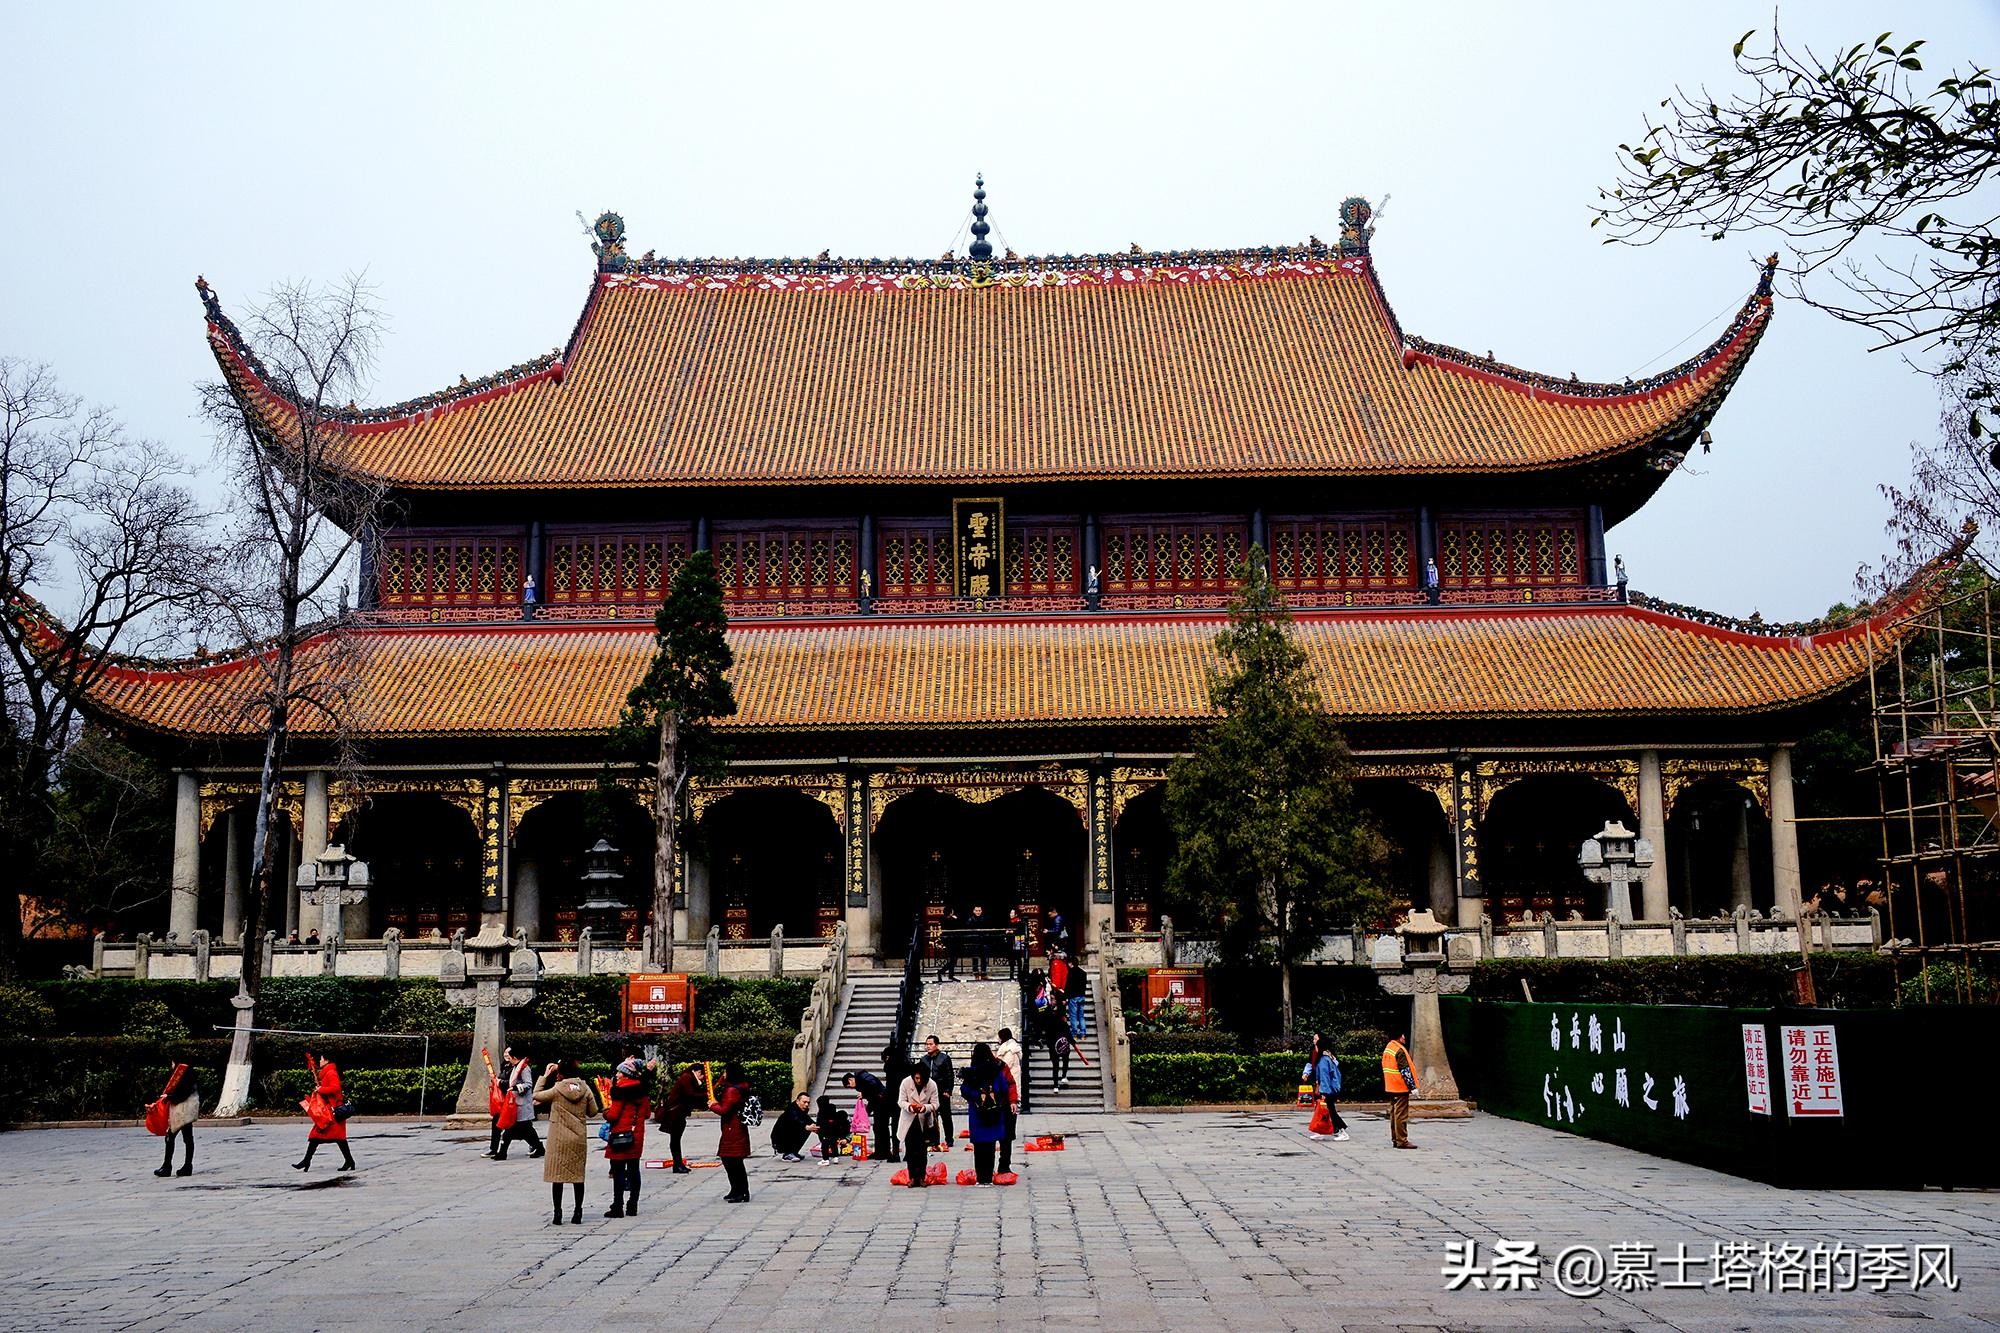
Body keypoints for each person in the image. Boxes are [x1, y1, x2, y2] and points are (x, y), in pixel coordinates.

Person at [535, 1058, 601, 1224]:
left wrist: (544, 1075)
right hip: (578, 1137)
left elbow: (536, 1095)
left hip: (558, 1138)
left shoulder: (557, 1089)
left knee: (557, 1177)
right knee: (578, 1177)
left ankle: (558, 1213)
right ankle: (578, 1212)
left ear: (560, 1072)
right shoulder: (585, 1088)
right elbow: (593, 1112)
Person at [959, 1043, 1013, 1184]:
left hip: (977, 1113)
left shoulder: (971, 1072)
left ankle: (981, 1177)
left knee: (979, 1148)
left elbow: (964, 1090)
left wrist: (977, 1096)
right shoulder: (996, 1070)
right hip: (994, 1112)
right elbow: (1004, 1087)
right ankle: (988, 1177)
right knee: (990, 1146)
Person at [293, 1052, 354, 1172]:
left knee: (332, 1137)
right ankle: (307, 1161)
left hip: (334, 1110)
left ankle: (307, 1161)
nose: (319, 1061)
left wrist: (321, 1089)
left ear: (327, 1060)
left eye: (321, 1059)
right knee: (330, 1137)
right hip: (330, 1110)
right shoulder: (327, 1072)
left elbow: (335, 1088)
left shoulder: (331, 1073)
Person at [601, 1075, 648, 1218]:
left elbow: (613, 1115)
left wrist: (605, 1112)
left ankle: (618, 1206)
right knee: (634, 1171)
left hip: (620, 1137)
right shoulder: (642, 1091)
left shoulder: (620, 1091)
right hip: (636, 1136)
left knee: (619, 1171)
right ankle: (633, 1205)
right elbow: (647, 1113)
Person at [710, 1061, 755, 1203]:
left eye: (725, 1071)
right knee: (733, 1161)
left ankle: (740, 1191)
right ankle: (737, 1190)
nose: (723, 1074)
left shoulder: (732, 1090)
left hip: (732, 1128)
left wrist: (712, 1106)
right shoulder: (740, 1086)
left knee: (732, 1160)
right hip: (736, 1127)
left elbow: (724, 1109)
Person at [152, 1062, 200, 1177]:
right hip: (187, 1108)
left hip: (182, 1109)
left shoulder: (182, 1071)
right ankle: (187, 1166)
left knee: (170, 1136)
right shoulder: (188, 1069)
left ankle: (167, 1167)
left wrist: (170, 1097)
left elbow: (183, 1091)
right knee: (188, 1138)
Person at [495, 1046, 544, 1160]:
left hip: (522, 1104)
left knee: (521, 1130)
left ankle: (503, 1152)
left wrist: (516, 1087)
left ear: (515, 1057)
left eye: (510, 1057)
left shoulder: (524, 1068)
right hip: (516, 1104)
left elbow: (528, 1084)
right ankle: (538, 1147)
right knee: (519, 1129)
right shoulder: (516, 1067)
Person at [896, 1065, 940, 1187]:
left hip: (924, 1120)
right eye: (916, 1078)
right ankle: (912, 1177)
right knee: (910, 1151)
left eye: (921, 1079)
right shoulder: (906, 1082)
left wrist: (925, 1108)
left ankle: (921, 1177)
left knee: (922, 1151)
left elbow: (935, 1104)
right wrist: (910, 1107)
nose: (918, 1081)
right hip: (909, 1119)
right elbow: (901, 1101)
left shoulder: (932, 1085)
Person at [657, 1064, 706, 1173]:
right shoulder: (687, 1077)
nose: (702, 1077)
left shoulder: (687, 1077)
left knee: (675, 1139)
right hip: (675, 1113)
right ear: (696, 1071)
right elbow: (690, 1094)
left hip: (678, 1113)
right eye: (701, 1074)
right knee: (675, 1140)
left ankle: (678, 1164)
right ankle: (677, 1164)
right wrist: (705, 1094)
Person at [844, 1070, 894, 1160]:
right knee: (878, 1128)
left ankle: (884, 1152)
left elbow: (873, 1086)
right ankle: (880, 1152)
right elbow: (872, 1098)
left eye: (849, 1086)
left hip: (883, 1104)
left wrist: (864, 1093)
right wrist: (866, 1112)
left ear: (850, 1079)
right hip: (878, 1104)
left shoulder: (864, 1077)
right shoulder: (862, 1080)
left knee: (881, 1128)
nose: (851, 1088)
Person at [995, 1027, 1024, 1173]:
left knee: (1007, 1122)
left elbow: (1003, 1068)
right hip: (1013, 1086)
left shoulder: (1008, 1052)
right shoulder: (1014, 1049)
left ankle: (1003, 1164)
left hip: (1008, 1089)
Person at [1382, 1030, 1419, 1149]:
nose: (1404, 1037)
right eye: (1403, 1035)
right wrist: (1412, 1087)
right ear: (1399, 1036)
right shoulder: (1399, 1050)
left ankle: (1395, 1139)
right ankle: (1402, 1140)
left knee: (1394, 1114)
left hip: (1391, 1086)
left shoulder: (1389, 1048)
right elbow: (1405, 1070)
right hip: (1400, 1086)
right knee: (1401, 1115)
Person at [918, 1036, 955, 1149]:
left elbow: (949, 1075)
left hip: (941, 1091)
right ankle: (933, 1139)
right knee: (930, 1117)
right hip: (928, 1092)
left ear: (936, 1045)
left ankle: (949, 1138)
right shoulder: (924, 1060)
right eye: (927, 1044)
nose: (928, 1046)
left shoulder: (944, 1059)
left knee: (946, 1116)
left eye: (930, 1044)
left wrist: (948, 1090)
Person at [1311, 1035, 1350, 1142]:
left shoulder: (1323, 1060)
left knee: (1331, 1111)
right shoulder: (1329, 1057)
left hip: (1329, 1089)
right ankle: (1322, 1130)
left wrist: (1324, 1092)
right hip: (1333, 1088)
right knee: (1326, 1110)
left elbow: (1325, 1077)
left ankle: (1342, 1131)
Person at [770, 1092, 816, 1162]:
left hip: (787, 1135)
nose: (806, 1104)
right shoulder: (791, 1110)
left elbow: (809, 1121)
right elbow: (796, 1120)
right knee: (800, 1128)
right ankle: (787, 1153)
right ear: (797, 1101)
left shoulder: (802, 1110)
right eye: (804, 1102)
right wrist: (806, 1127)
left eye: (808, 1102)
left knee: (808, 1128)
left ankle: (793, 1152)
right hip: (780, 1139)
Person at [813, 1095, 850, 1165]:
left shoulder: (821, 1112)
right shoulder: (833, 1109)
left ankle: (825, 1159)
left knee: (824, 1146)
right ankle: (835, 1157)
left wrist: (819, 1130)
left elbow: (819, 1123)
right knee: (834, 1145)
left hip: (825, 1133)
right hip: (834, 1132)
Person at [1064, 960, 1090, 1040]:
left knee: (1073, 1016)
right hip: (1081, 996)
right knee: (1081, 1016)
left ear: (1071, 963)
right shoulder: (1083, 972)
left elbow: (1068, 986)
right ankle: (1083, 1034)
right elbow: (1084, 985)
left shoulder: (1070, 973)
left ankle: (1074, 1034)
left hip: (1073, 997)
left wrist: (1066, 996)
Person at [966, 904, 993, 978]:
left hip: (983, 941)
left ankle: (983, 972)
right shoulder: (970, 920)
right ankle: (975, 972)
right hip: (974, 941)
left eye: (979, 911)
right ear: (973, 911)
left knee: (984, 957)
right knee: (975, 957)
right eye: (976, 911)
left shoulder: (984, 919)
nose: (978, 912)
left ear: (981, 911)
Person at [938, 906, 963, 981]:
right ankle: (940, 972)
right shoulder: (947, 920)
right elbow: (957, 926)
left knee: (953, 960)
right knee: (952, 960)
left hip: (952, 942)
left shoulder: (944, 919)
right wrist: (955, 919)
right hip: (950, 942)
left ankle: (951, 975)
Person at [1007, 909, 1028, 980]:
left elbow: (1020, 931)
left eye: (1012, 913)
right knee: (1011, 960)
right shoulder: (1009, 922)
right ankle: (1011, 976)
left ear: (1016, 914)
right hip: (1010, 942)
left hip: (1017, 941)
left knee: (1019, 960)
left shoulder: (1019, 922)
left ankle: (1020, 975)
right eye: (1010, 913)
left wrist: (1012, 932)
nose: (1010, 914)